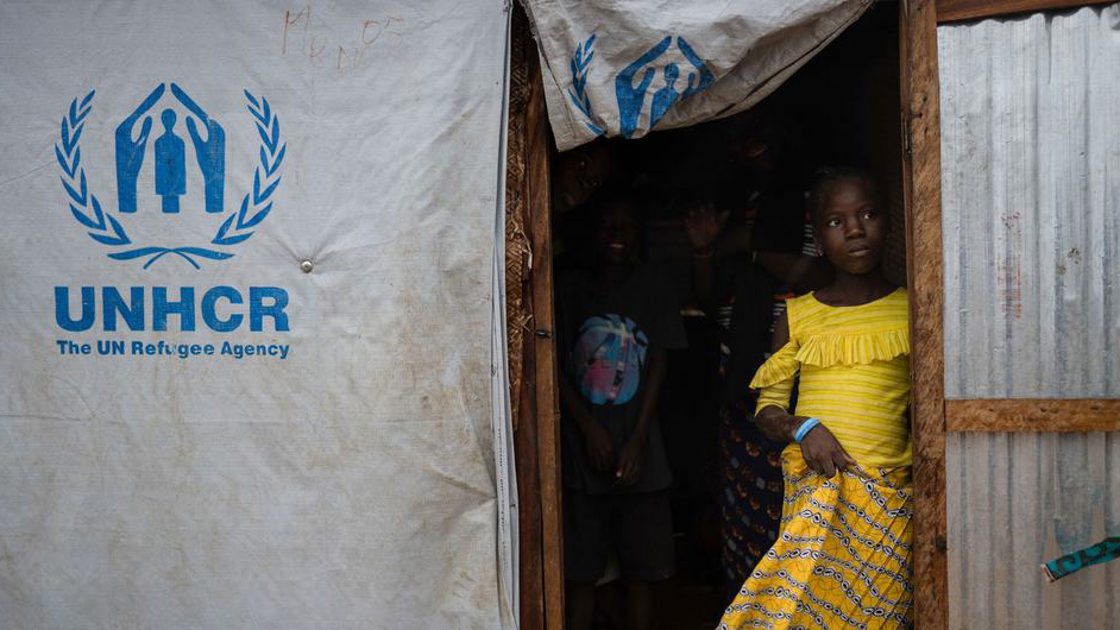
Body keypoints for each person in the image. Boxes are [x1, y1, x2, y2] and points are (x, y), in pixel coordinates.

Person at [717, 168, 913, 628]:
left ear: (889, 223)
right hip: (818, 496)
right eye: (836, 221)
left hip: (888, 505)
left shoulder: (914, 308)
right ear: (818, 238)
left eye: (868, 214)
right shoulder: (798, 314)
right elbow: (767, 412)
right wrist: (802, 427)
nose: (856, 230)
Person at [557, 194, 687, 630]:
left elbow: (660, 364)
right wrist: (588, 427)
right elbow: (551, 366)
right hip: (581, 456)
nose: (616, 235)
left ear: (639, 236)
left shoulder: (652, 286)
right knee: (579, 576)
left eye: (626, 226)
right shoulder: (569, 289)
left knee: (641, 576)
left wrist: (636, 440)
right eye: (607, 225)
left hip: (640, 453)